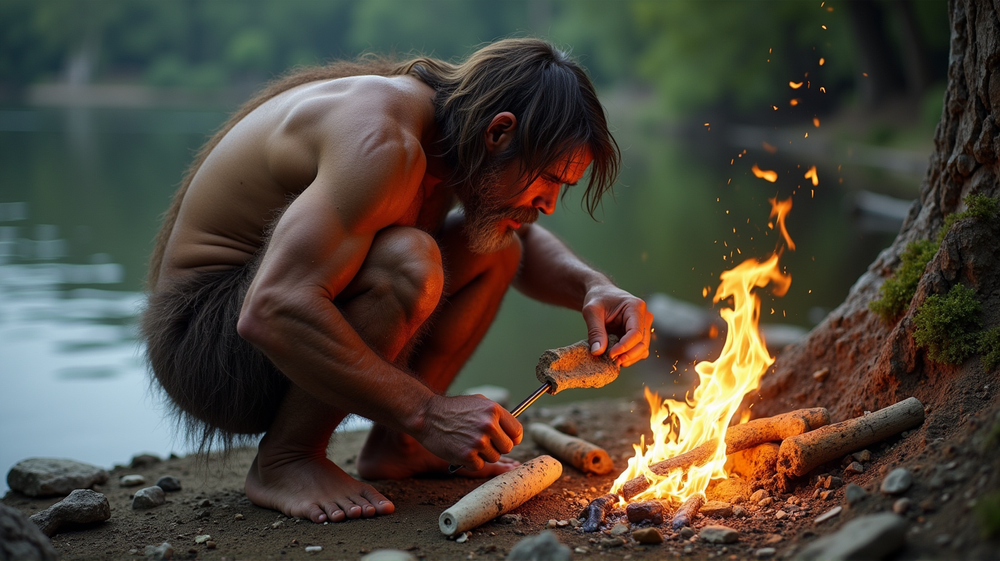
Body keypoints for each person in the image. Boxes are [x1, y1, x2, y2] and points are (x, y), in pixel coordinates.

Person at [140, 38, 652, 524]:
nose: (549, 203)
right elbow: (272, 308)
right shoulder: (383, 140)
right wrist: (429, 413)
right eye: (549, 179)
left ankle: (398, 447)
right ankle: (287, 459)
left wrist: (593, 287)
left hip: (266, 332)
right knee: (409, 260)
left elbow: (520, 239)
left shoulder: (451, 133)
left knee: (497, 250)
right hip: (205, 347)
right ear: (499, 132)